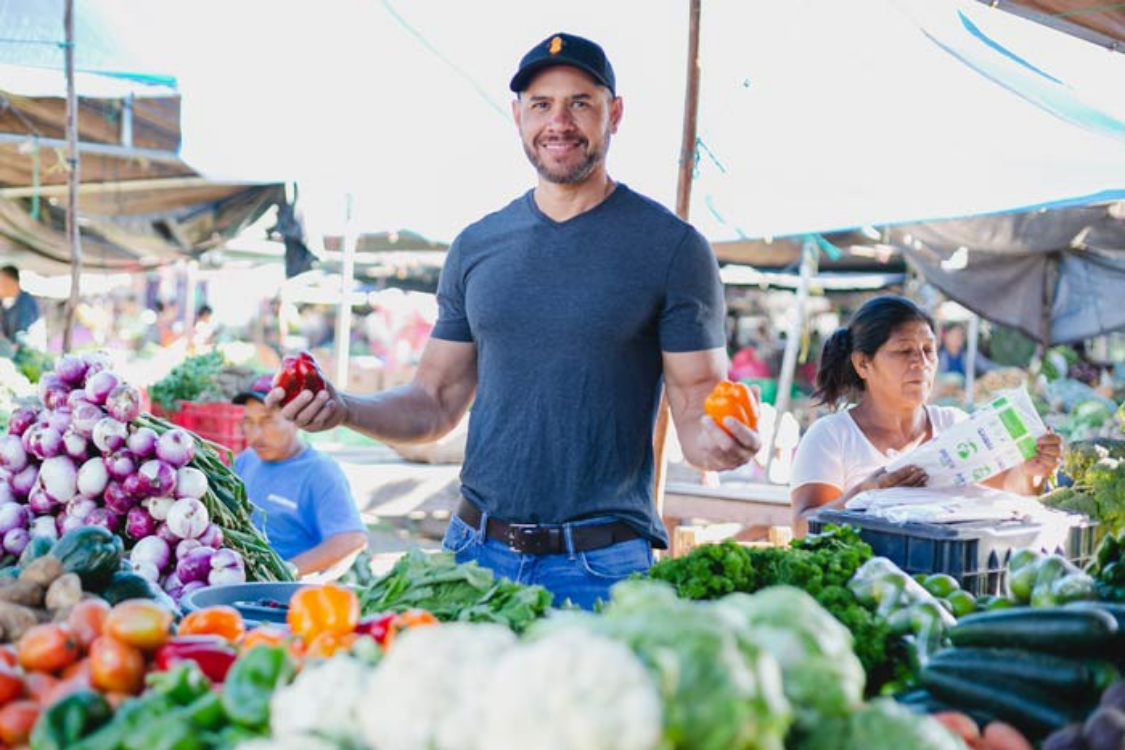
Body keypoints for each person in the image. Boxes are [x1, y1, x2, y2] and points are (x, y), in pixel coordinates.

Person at [270, 32, 761, 609]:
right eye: (541, 104)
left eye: (580, 102)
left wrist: (718, 445)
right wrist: (344, 408)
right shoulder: (477, 246)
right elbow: (433, 402)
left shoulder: (672, 248)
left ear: (615, 114)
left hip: (600, 567)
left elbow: (698, 401)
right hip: (472, 554)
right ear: (518, 116)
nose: (559, 122)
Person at [789, 295, 1063, 536]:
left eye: (929, 350)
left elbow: (1013, 488)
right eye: (904, 351)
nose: (921, 363)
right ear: (863, 364)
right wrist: (864, 494)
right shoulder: (831, 436)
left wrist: (1032, 470)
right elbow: (801, 528)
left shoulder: (954, 425)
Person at [233, 375, 368, 580]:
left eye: (268, 421)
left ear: (296, 420)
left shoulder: (320, 472)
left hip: (287, 589)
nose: (255, 434)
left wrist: (284, 572)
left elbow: (351, 539)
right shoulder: (245, 461)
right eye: (248, 422)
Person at [0, 265, 45, 350]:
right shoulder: (4, 304)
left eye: (1, 282)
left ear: (11, 282)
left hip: (28, 353)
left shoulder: (26, 302)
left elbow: (23, 336)